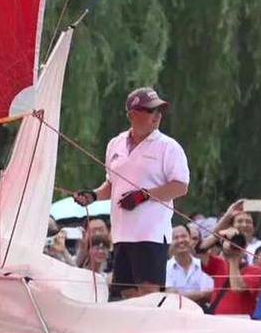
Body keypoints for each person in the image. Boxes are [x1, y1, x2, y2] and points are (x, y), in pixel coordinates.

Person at [73, 88, 189, 299]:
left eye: (159, 110)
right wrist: (93, 195)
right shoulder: (114, 144)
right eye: (150, 110)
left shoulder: (168, 147)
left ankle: (149, 331)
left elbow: (180, 186)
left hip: (150, 233)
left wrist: (144, 195)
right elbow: (111, 183)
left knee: (148, 292)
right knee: (126, 292)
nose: (157, 115)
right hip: (121, 233)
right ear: (132, 115)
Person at [165, 225, 214, 305]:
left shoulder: (202, 264)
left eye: (183, 236)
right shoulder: (166, 268)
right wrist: (201, 294)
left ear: (190, 239)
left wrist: (181, 295)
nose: (180, 240)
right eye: (176, 238)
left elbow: (210, 294)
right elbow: (171, 297)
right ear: (171, 242)